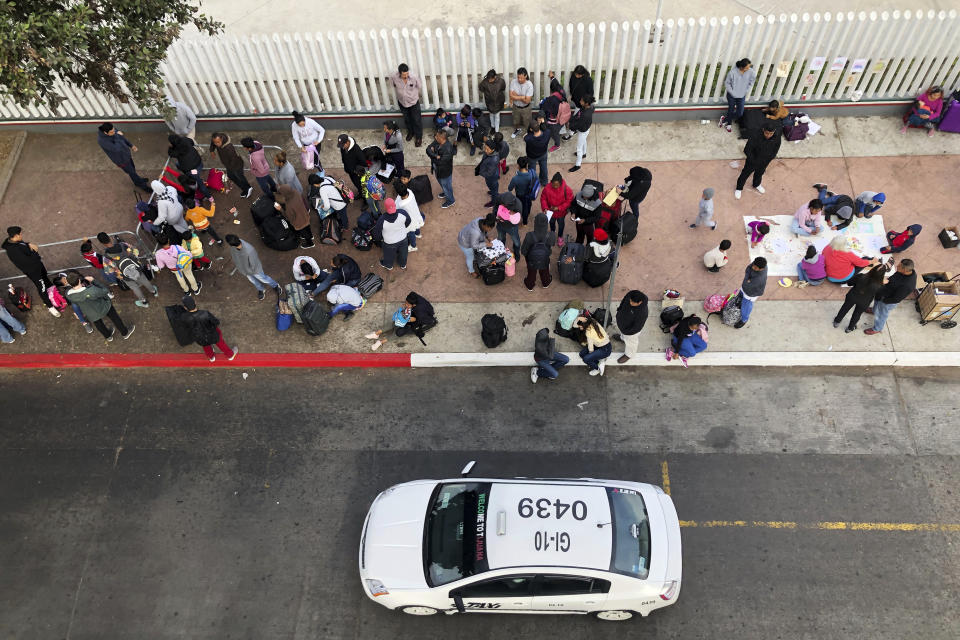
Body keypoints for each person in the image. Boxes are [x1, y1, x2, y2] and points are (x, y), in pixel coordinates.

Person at [2, 227, 60, 316]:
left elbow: (22, 245)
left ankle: (53, 290)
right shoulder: (13, 251)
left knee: (46, 279)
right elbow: (28, 262)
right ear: (16, 235)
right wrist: (35, 252)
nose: (22, 235)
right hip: (34, 271)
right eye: (20, 234)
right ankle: (50, 306)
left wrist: (28, 244)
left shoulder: (13, 241)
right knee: (42, 287)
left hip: (38, 267)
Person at [64, 271, 135, 341]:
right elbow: (105, 290)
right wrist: (93, 280)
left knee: (98, 324)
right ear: (79, 280)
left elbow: (76, 303)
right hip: (104, 306)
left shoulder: (69, 295)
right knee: (115, 318)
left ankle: (108, 336)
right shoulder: (91, 290)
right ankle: (125, 333)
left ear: (69, 284)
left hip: (90, 313)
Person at [99, 232, 158, 307]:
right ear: (109, 237)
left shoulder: (106, 257)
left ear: (102, 243)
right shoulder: (123, 244)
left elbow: (109, 271)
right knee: (144, 280)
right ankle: (154, 291)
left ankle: (144, 302)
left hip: (124, 275)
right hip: (135, 268)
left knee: (134, 287)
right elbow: (136, 252)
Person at [864, 259, 916, 335]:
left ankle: (877, 328)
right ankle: (874, 310)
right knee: (877, 304)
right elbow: (894, 277)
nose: (896, 267)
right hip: (882, 292)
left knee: (881, 314)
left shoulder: (907, 285)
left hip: (887, 301)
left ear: (904, 270)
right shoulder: (903, 272)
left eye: (899, 266)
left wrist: (884, 300)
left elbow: (896, 299)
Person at [181, 294, 238, 362]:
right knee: (221, 344)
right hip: (212, 334)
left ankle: (211, 357)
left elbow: (187, 328)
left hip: (200, 338)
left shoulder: (184, 317)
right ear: (195, 302)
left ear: (185, 308)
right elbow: (216, 322)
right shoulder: (205, 313)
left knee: (206, 346)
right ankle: (230, 355)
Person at [833, 263, 886, 333]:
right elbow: (878, 297)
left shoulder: (861, 276)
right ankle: (850, 328)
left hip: (852, 297)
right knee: (857, 314)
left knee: (844, 308)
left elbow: (849, 283)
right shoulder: (880, 286)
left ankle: (837, 322)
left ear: (872, 269)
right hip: (864, 302)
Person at [225, 234, 280, 300]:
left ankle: (275, 285)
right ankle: (261, 289)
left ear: (230, 244)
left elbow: (254, 264)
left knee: (263, 278)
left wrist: (252, 272)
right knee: (253, 281)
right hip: (244, 270)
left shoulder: (249, 250)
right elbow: (235, 258)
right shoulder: (233, 248)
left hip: (254, 270)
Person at [96, 123, 149, 190]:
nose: (114, 131)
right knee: (131, 172)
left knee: (132, 169)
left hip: (126, 154)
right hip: (121, 160)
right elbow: (116, 148)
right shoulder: (102, 141)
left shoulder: (112, 130)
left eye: (114, 129)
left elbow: (122, 138)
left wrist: (131, 145)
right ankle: (142, 185)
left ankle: (137, 180)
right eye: (112, 132)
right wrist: (116, 135)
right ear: (105, 133)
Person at [735, 122, 780, 199]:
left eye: (771, 133)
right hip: (752, 161)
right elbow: (747, 150)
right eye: (767, 133)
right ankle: (739, 188)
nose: (768, 135)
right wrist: (753, 160)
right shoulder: (755, 136)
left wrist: (770, 158)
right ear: (763, 130)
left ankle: (756, 184)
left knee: (759, 174)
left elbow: (775, 149)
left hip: (764, 162)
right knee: (745, 174)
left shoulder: (777, 137)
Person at [167, 134, 212, 200]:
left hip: (192, 170)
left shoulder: (176, 151)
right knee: (178, 164)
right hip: (199, 163)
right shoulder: (185, 140)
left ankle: (209, 197)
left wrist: (171, 147)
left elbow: (170, 153)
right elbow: (192, 142)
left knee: (200, 184)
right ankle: (190, 176)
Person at [209, 132, 253, 199]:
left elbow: (233, 160)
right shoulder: (216, 141)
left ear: (222, 139)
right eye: (215, 142)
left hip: (236, 165)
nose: (216, 144)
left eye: (218, 142)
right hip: (228, 165)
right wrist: (211, 150)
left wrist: (230, 169)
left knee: (239, 177)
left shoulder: (229, 147)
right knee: (231, 176)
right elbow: (212, 144)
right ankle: (244, 188)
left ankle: (248, 188)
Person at [373, 198, 413, 271]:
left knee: (388, 255)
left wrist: (381, 238)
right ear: (395, 205)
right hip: (403, 238)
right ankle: (403, 265)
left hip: (389, 242)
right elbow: (408, 221)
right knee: (403, 253)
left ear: (385, 208)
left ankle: (389, 266)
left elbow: (376, 235)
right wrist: (402, 228)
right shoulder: (402, 213)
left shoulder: (381, 219)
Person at [390, 63, 423, 146]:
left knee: (416, 120)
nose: (406, 76)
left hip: (413, 102)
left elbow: (419, 86)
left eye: (407, 74)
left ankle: (418, 137)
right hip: (402, 102)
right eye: (404, 75)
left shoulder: (414, 77)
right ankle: (411, 132)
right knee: (407, 119)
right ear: (399, 73)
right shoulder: (394, 77)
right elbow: (393, 85)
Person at [520, 212, 555, 291]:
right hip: (544, 257)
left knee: (531, 272)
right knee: (545, 270)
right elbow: (552, 244)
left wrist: (527, 257)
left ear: (535, 223)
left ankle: (530, 285)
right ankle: (546, 283)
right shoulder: (551, 235)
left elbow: (523, 250)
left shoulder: (529, 235)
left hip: (532, 258)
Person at [720, 58, 756, 132]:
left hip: (742, 95)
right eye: (747, 67)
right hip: (731, 96)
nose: (749, 68)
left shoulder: (751, 72)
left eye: (749, 66)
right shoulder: (732, 72)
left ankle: (724, 119)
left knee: (740, 113)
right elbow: (727, 83)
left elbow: (751, 82)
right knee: (731, 109)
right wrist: (733, 92)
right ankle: (729, 124)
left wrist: (746, 91)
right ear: (741, 67)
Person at [457, 213, 497, 278]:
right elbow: (474, 245)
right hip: (465, 243)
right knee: (470, 257)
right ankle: (472, 271)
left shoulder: (480, 220)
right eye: (490, 229)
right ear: (487, 226)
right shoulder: (476, 233)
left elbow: (484, 232)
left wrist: (487, 237)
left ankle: (475, 261)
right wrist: (486, 244)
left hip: (467, 235)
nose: (489, 230)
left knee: (475, 252)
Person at [274, 184, 314, 248]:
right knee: (307, 227)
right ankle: (311, 236)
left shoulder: (289, 205)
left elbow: (289, 218)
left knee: (304, 232)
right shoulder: (295, 192)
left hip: (299, 222)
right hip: (304, 215)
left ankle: (310, 243)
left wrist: (280, 209)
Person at [425, 127, 456, 209]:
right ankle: (446, 193)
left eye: (437, 137)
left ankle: (451, 200)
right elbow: (427, 149)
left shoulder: (448, 149)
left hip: (444, 172)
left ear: (442, 138)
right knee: (443, 184)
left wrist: (432, 155)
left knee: (447, 186)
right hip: (438, 170)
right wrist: (435, 156)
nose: (435, 137)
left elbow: (440, 162)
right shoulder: (437, 141)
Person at [615, 290, 648, 364]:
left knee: (631, 343)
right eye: (630, 301)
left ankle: (629, 355)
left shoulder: (642, 312)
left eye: (633, 303)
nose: (631, 303)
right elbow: (624, 300)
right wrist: (619, 309)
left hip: (631, 332)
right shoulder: (631, 294)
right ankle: (622, 338)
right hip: (623, 326)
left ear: (640, 302)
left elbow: (637, 327)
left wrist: (627, 332)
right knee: (624, 336)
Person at [540, 172, 574, 244]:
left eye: (557, 185)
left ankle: (560, 236)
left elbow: (569, 201)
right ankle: (552, 233)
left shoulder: (567, 189)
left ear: (561, 183)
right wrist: (545, 208)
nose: (555, 186)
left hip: (561, 213)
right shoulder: (547, 188)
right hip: (550, 212)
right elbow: (543, 198)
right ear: (551, 182)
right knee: (552, 223)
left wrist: (559, 208)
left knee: (561, 224)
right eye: (554, 184)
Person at [737, 257, 768, 328]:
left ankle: (744, 320)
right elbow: (748, 268)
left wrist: (747, 279)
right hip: (744, 288)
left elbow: (747, 283)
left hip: (751, 294)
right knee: (740, 299)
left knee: (746, 307)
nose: (753, 267)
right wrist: (748, 279)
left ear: (761, 269)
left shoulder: (759, 278)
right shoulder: (758, 263)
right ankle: (739, 306)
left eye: (755, 268)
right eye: (753, 265)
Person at [564, 65, 594, 139]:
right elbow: (571, 85)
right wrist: (571, 95)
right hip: (576, 100)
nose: (576, 76)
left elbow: (590, 93)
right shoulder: (573, 76)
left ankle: (571, 132)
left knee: (576, 118)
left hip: (582, 103)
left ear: (582, 74)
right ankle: (573, 130)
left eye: (578, 75)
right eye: (575, 74)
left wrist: (585, 102)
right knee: (576, 117)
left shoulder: (588, 80)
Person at [337, 134, 367, 207]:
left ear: (347, 142)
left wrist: (356, 170)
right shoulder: (343, 147)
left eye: (343, 145)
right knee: (357, 185)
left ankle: (366, 201)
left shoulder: (356, 149)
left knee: (362, 187)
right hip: (350, 171)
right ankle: (360, 194)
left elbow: (363, 162)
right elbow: (343, 157)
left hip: (357, 173)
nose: (342, 147)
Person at [567, 94, 595, 172]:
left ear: (586, 103)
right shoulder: (589, 107)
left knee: (579, 148)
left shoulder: (585, 115)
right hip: (586, 129)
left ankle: (578, 165)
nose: (580, 101)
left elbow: (578, 124)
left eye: (582, 101)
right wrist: (571, 120)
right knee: (584, 141)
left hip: (583, 130)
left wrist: (570, 126)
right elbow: (577, 116)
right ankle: (584, 153)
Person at [394, 184, 424, 252]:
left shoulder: (402, 204)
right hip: (415, 213)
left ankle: (413, 246)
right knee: (416, 225)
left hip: (409, 221)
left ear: (398, 193)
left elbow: (397, 209)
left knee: (411, 233)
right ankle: (418, 234)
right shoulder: (409, 191)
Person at [507, 157, 536, 225]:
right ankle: (527, 215)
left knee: (522, 208)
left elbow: (510, 188)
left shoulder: (515, 178)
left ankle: (524, 220)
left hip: (520, 195)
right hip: (529, 193)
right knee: (528, 204)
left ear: (518, 165)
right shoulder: (532, 173)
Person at [541, 75, 567, 151]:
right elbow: (556, 83)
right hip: (563, 117)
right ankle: (561, 129)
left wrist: (542, 103)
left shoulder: (551, 100)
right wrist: (552, 77)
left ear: (551, 90)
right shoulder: (562, 92)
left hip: (554, 121)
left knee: (554, 133)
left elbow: (544, 109)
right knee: (558, 127)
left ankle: (557, 145)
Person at [494, 192, 523, 257]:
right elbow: (495, 209)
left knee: (516, 242)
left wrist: (505, 219)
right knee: (501, 239)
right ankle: (501, 251)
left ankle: (517, 254)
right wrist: (497, 218)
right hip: (500, 225)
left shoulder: (518, 205)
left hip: (512, 227)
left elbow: (517, 220)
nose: (509, 210)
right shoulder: (499, 199)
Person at [523, 116, 550, 184]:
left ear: (531, 129)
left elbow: (524, 137)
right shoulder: (547, 133)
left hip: (532, 157)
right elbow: (546, 129)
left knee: (532, 170)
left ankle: (533, 183)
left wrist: (528, 133)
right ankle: (544, 181)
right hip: (543, 154)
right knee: (544, 167)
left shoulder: (528, 138)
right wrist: (543, 122)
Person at [510, 67, 535, 138]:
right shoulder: (513, 82)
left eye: (521, 78)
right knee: (516, 121)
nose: (519, 79)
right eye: (518, 77)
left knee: (527, 122)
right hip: (516, 106)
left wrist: (516, 96)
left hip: (526, 108)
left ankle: (529, 133)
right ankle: (518, 130)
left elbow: (527, 100)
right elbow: (511, 96)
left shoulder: (529, 85)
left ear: (526, 76)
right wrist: (522, 97)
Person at [476, 140, 501, 207]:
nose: (486, 150)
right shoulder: (489, 153)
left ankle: (493, 202)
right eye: (485, 148)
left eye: (487, 149)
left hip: (492, 177)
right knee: (491, 186)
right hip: (490, 176)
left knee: (494, 189)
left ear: (493, 150)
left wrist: (480, 172)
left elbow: (489, 173)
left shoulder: (494, 160)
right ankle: (493, 191)